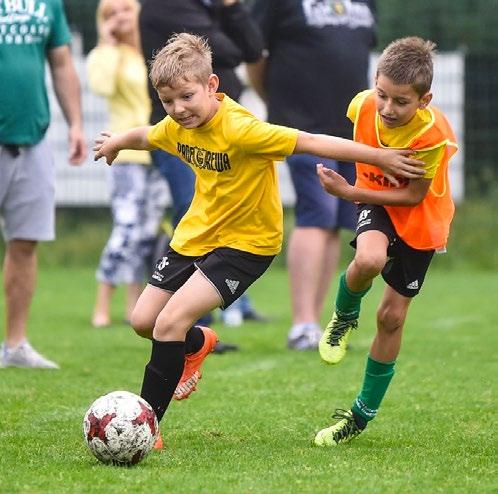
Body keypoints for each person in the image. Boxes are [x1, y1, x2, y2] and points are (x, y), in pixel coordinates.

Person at [93, 33, 426, 430]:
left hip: (247, 244)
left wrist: (379, 156)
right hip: (196, 235)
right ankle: (197, 345)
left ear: (212, 86)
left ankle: (145, 426)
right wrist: (115, 142)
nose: (178, 110)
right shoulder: (176, 125)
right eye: (168, 101)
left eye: (186, 97)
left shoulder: (242, 130)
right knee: (144, 321)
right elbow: (145, 136)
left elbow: (312, 142)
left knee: (168, 324)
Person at [313, 37, 458, 446]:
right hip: (375, 202)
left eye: (401, 101)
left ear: (424, 100)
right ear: (373, 84)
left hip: (420, 219)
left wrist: (350, 193)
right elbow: (349, 142)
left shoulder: (434, 136)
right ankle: (343, 317)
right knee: (370, 259)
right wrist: (362, 175)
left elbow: (413, 195)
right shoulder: (362, 105)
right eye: (382, 96)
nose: (388, 109)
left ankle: (359, 417)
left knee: (391, 319)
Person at [248, 0, 377, 350]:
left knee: (336, 221)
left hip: (352, 133)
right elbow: (253, 54)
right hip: (301, 128)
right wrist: (277, 104)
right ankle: (301, 323)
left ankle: (316, 323)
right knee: (316, 214)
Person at [139, 0, 266, 329]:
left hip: (219, 132)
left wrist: (232, 7)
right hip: (182, 136)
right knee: (190, 210)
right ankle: (191, 318)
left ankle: (221, 306)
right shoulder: (166, 7)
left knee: (228, 211)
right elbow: (230, 51)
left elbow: (252, 48)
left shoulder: (214, 9)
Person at [0, 0, 86, 369]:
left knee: (25, 241)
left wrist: (77, 124)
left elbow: (62, 62)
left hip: (32, 137)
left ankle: (15, 345)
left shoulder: (48, 4)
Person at [87, 0, 166, 328]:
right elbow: (101, 86)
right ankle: (102, 303)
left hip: (159, 151)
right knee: (126, 229)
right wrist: (107, 44)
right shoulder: (107, 56)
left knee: (148, 234)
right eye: (110, 13)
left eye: (125, 9)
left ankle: (135, 304)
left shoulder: (152, 51)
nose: (120, 17)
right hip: (125, 157)